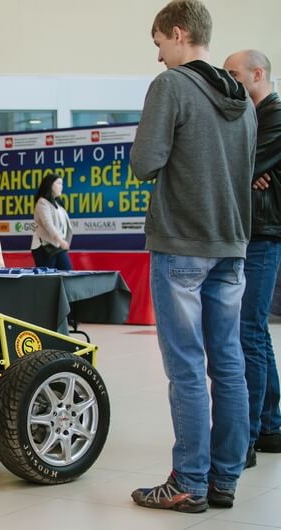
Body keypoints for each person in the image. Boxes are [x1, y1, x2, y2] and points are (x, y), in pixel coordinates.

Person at [129, 0, 256, 513]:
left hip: (181, 243)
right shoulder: (244, 99)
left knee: (186, 367)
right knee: (229, 363)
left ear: (178, 33)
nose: (158, 55)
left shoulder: (171, 86)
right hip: (231, 244)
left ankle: (188, 482)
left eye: (159, 43)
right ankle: (225, 480)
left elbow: (145, 162)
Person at [224, 49, 281, 461]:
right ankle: (271, 425)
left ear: (257, 73)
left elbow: (238, 165)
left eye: (234, 74)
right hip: (253, 233)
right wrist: (244, 170)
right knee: (255, 332)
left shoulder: (274, 115)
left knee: (248, 332)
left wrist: (244, 169)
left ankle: (246, 437)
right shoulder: (253, 116)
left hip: (262, 235)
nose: (228, 81)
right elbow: (240, 165)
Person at [31, 172, 73, 270]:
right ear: (50, 185)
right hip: (44, 246)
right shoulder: (42, 202)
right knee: (48, 276)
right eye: (58, 183)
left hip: (57, 245)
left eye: (62, 184)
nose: (61, 186)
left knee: (67, 272)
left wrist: (62, 241)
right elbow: (48, 224)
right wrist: (61, 241)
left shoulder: (58, 203)